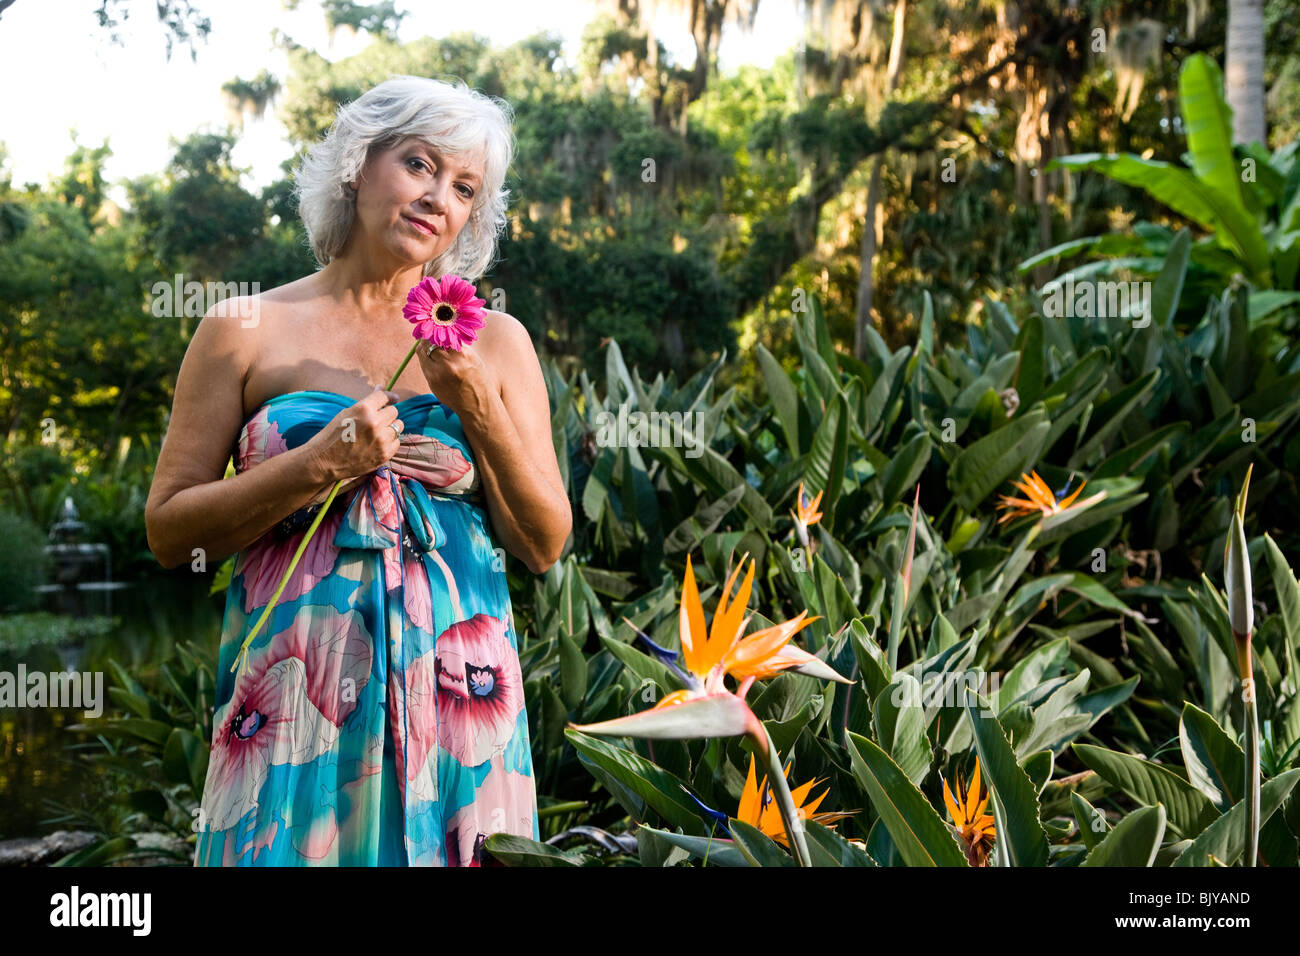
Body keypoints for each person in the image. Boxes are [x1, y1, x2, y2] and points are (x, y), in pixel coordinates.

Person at [144, 75, 572, 866]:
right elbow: (171, 532)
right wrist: (316, 465)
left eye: (464, 186)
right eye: (419, 163)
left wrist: (478, 407)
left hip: (459, 707)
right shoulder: (244, 329)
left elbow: (544, 542)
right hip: (293, 708)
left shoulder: (497, 343)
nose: (438, 195)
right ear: (355, 161)